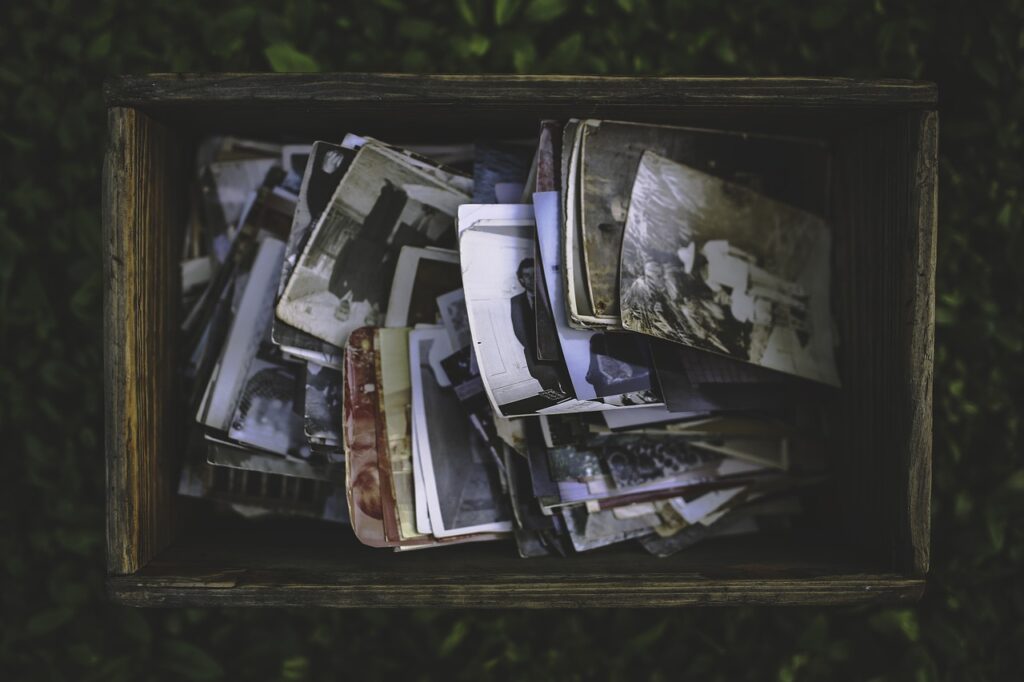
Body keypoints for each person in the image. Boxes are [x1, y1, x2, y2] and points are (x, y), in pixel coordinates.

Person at [509, 258, 566, 395]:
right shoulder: (516, 302)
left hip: (561, 354)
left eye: (534, 274)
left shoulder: (551, 295)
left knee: (572, 389)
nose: (531, 279)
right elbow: (519, 331)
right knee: (553, 394)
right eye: (527, 276)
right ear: (521, 279)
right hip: (537, 358)